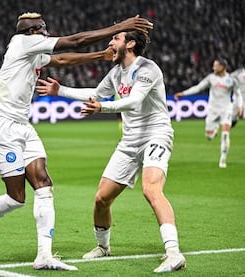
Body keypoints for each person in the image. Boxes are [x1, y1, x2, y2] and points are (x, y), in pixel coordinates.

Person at [0, 12, 153, 271]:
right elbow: (75, 42)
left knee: (44, 184)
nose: (47, 32)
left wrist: (98, 56)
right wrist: (121, 27)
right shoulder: (21, 43)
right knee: (16, 198)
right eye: (43, 28)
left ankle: (44, 256)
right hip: (1, 125)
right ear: (36, 30)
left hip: (22, 126)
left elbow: (61, 59)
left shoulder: (33, 50)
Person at [36, 30, 186, 273]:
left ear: (130, 44)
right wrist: (60, 91)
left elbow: (134, 101)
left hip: (156, 135)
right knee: (101, 198)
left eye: (115, 39)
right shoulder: (116, 72)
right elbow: (96, 93)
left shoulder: (148, 68)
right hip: (129, 141)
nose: (110, 43)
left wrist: (102, 108)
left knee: (151, 189)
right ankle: (103, 247)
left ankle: (173, 253)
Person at [174, 59, 243, 168]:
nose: (213, 68)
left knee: (225, 134)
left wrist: (240, 106)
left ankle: (223, 160)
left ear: (223, 67)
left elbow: (238, 94)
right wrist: (183, 93)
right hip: (212, 110)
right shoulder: (211, 78)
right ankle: (214, 131)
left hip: (226, 109)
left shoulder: (231, 80)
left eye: (215, 66)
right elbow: (198, 87)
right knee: (209, 136)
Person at [230, 60, 245, 127]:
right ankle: (226, 132)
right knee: (232, 117)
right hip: (238, 98)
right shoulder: (238, 73)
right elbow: (228, 78)